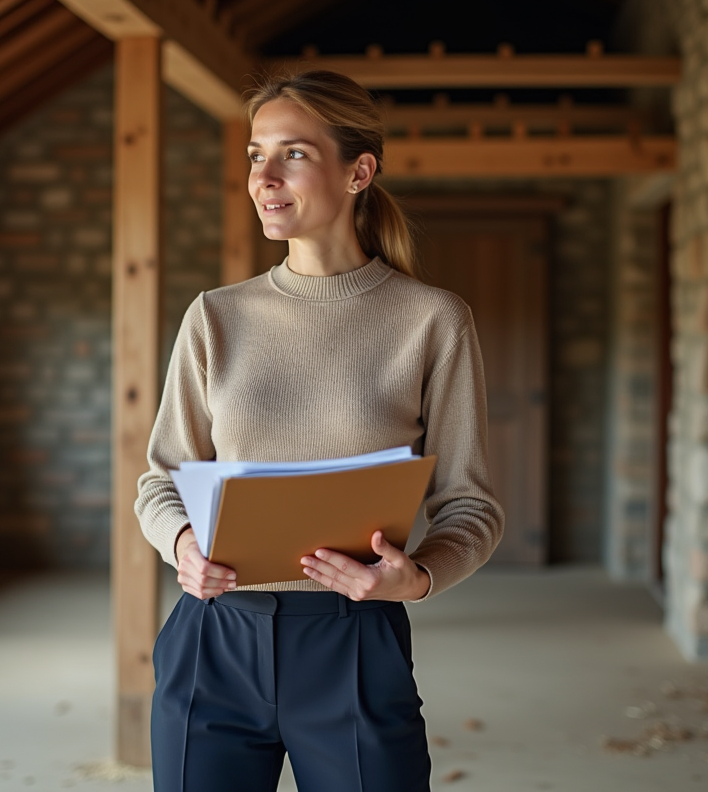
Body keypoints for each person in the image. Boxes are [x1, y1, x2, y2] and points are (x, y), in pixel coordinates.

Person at [135, 69, 504, 792]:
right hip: (214, 638)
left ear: (359, 170)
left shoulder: (433, 320)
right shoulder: (215, 316)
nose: (263, 177)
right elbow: (162, 478)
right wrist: (181, 545)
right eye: (254, 154)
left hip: (355, 643)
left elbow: (471, 504)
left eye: (292, 154)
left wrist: (420, 577)